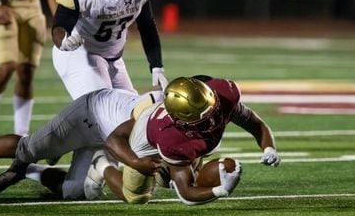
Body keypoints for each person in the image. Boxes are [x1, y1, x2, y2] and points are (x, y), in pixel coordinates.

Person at [86, 76, 281, 205]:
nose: (213, 121)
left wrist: (269, 149)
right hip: (147, 144)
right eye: (203, 119)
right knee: (136, 197)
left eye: (213, 111)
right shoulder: (172, 136)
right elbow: (186, 193)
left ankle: (168, 174)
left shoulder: (223, 96)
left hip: (174, 133)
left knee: (181, 174)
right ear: (181, 121)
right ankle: (101, 165)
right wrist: (220, 190)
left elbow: (256, 124)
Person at [0, 88, 163, 199]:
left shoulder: (179, 120)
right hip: (89, 116)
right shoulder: (153, 108)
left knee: (77, 191)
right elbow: (116, 139)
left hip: (109, 133)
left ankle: (28, 171)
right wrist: (137, 161)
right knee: (27, 149)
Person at [51, 0, 168, 100]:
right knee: (104, 107)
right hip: (80, 54)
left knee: (132, 112)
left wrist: (157, 66)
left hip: (114, 59)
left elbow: (147, 25)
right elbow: (59, 27)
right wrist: (64, 40)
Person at [0, 0, 58, 143]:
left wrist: (59, 16)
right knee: (6, 65)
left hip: (33, 4)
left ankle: (21, 134)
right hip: (3, 2)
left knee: (27, 72)